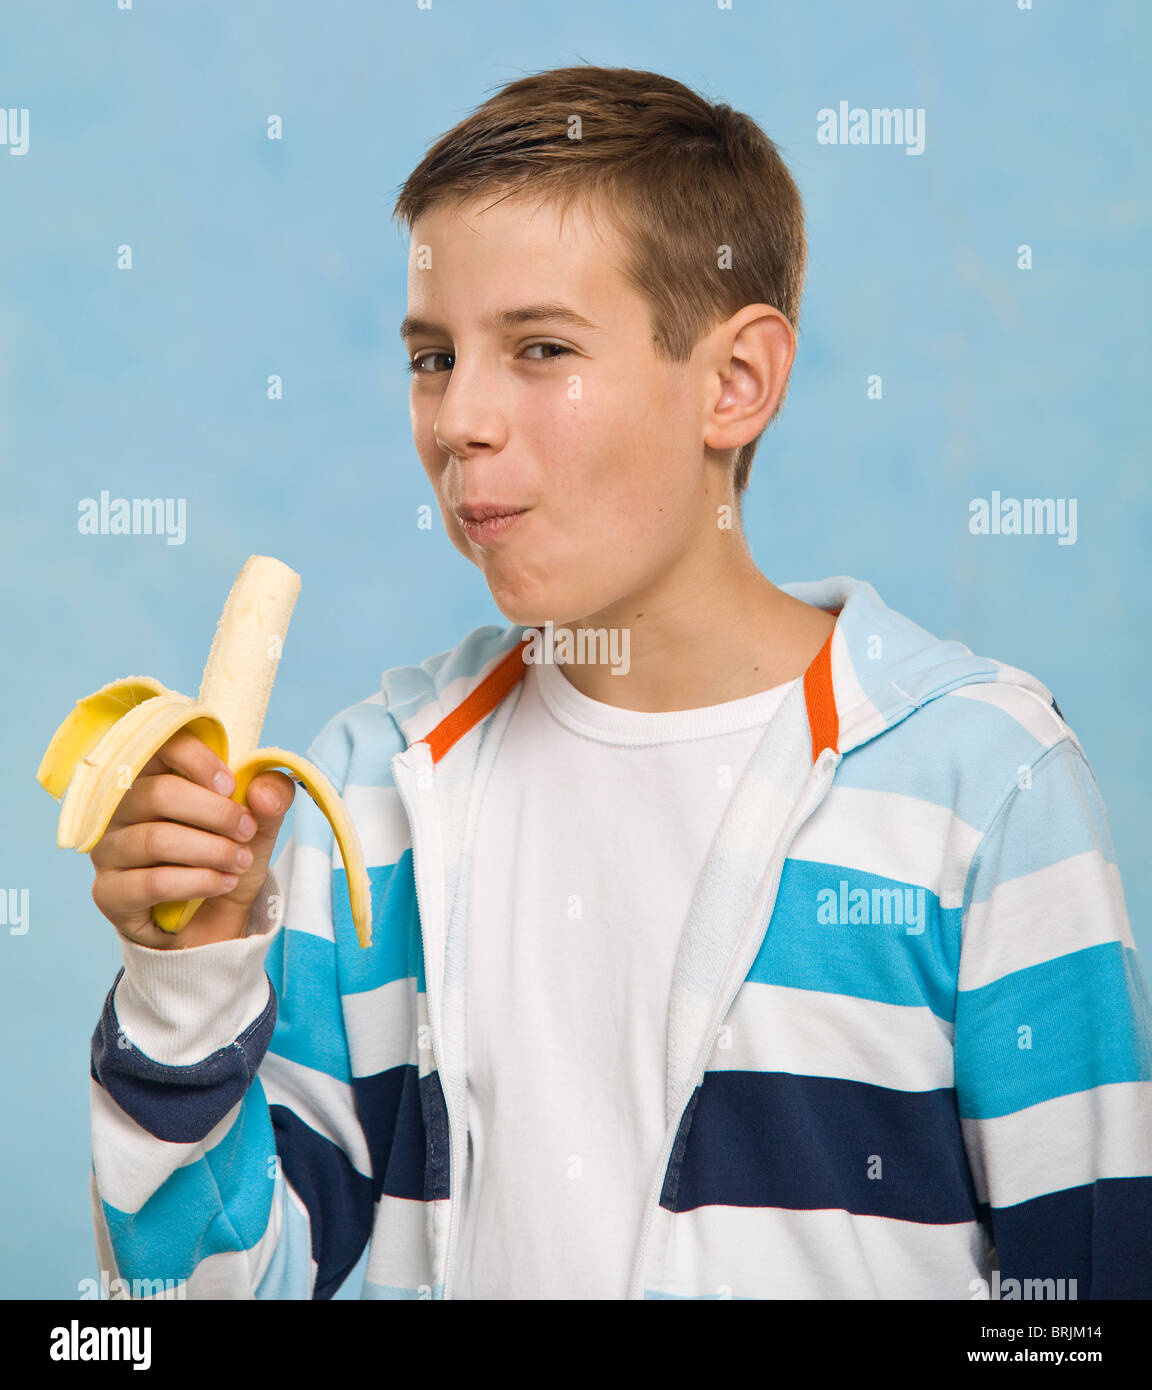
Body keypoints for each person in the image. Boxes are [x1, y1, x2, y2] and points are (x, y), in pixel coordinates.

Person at [86, 64, 1151, 1300]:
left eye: (540, 348)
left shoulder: (984, 786)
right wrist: (188, 980)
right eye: (433, 359)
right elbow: (208, 1302)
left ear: (735, 383)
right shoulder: (368, 791)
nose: (460, 421)